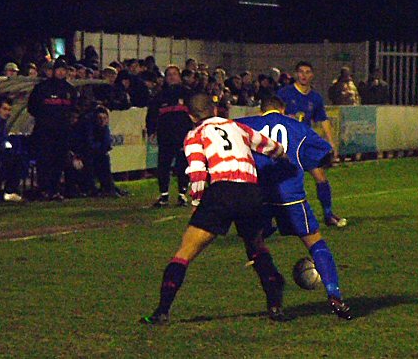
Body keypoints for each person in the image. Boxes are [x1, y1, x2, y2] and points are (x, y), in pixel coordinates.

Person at [140, 92, 288, 325]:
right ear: (215, 109)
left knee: (185, 251)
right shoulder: (237, 127)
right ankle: (275, 305)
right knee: (256, 246)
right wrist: (283, 160)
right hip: (251, 192)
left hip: (222, 192)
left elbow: (198, 172)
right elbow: (273, 147)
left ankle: (162, 311)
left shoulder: (195, 134)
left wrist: (197, 202)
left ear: (190, 115)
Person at [238, 96, 352, 319]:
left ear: (260, 110)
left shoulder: (244, 124)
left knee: (255, 244)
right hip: (291, 196)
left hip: (258, 196)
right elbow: (324, 153)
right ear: (282, 109)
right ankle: (334, 295)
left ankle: (274, 302)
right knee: (315, 241)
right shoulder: (296, 126)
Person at [277, 61, 347, 227]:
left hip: (305, 144)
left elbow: (323, 120)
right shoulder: (285, 93)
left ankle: (328, 214)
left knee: (321, 177)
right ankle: (276, 219)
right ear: (295, 74)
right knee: (283, 182)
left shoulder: (315, 97)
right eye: (301, 72)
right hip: (288, 144)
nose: (304, 75)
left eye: (307, 72)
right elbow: (272, 112)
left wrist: (332, 143)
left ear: (312, 75)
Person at [27, 58, 79, 201]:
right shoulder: (42, 88)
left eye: (64, 70)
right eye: (59, 70)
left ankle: (55, 190)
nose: (61, 72)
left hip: (62, 132)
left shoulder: (70, 90)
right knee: (44, 160)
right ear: (54, 71)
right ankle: (44, 189)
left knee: (59, 161)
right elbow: (32, 107)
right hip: (45, 131)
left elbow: (74, 109)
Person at [147, 65, 193, 208]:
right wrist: (151, 131)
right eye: (169, 75)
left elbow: (196, 112)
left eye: (174, 74)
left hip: (183, 135)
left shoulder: (188, 94)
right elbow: (151, 115)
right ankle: (164, 195)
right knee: (163, 166)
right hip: (165, 135)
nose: (172, 77)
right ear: (165, 78)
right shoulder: (160, 96)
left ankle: (182, 194)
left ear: (179, 77)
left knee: (183, 166)